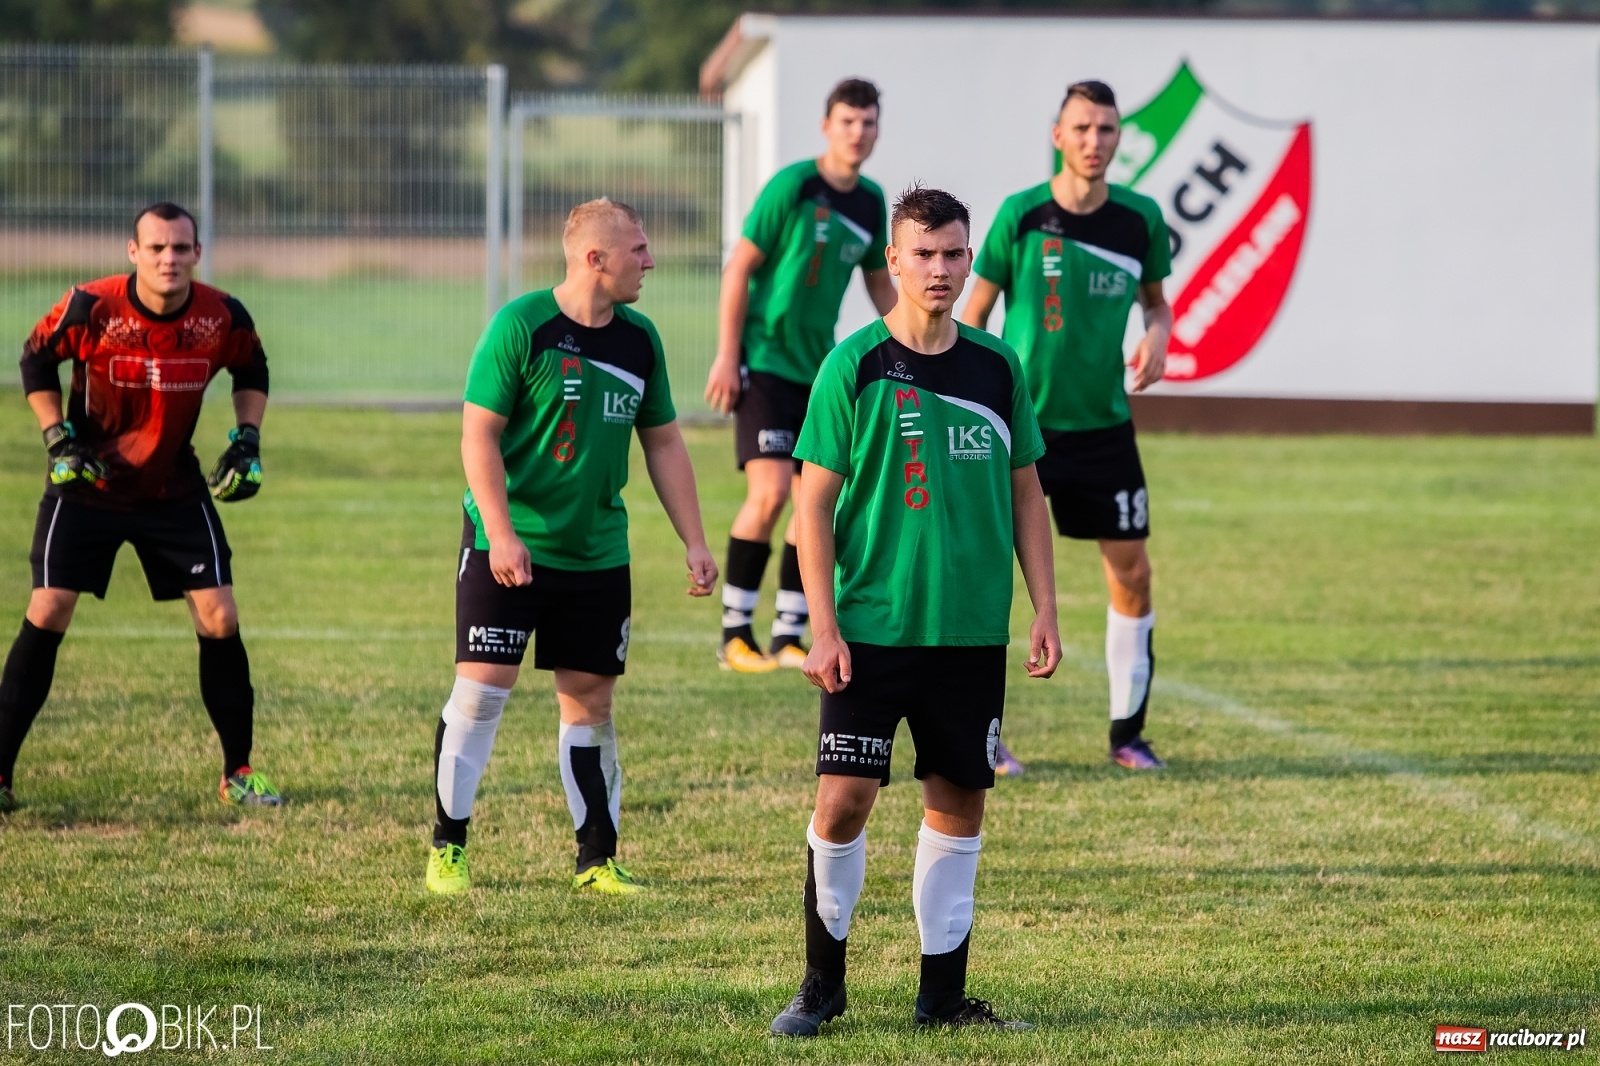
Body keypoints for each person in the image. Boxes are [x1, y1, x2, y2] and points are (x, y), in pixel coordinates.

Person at [769, 186, 1060, 1037]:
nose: (941, 269)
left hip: (970, 632)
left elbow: (1027, 494)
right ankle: (821, 987)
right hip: (869, 629)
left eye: (955, 253)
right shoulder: (851, 365)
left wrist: (1044, 606)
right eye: (924, 254)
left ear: (972, 259)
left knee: (959, 803)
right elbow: (809, 506)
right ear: (892, 261)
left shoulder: (997, 366)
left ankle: (942, 999)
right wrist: (821, 625)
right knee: (845, 800)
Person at [426, 199, 718, 897]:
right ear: (596, 259)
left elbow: (665, 442)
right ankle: (448, 848)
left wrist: (696, 540)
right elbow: (478, 435)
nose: (650, 262)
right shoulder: (520, 326)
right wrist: (501, 534)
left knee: (590, 704)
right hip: (511, 542)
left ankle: (596, 860)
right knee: (481, 694)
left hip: (596, 553)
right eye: (639, 251)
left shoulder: (640, 340)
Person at [0, 201, 281, 813]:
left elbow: (252, 367)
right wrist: (57, 438)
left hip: (171, 490)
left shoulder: (221, 315)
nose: (168, 259)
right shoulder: (90, 306)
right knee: (48, 609)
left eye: (180, 248)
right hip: (88, 484)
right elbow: (35, 358)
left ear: (197, 255)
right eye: (156, 248)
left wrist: (247, 438)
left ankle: (238, 772)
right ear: (133, 253)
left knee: (220, 618)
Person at [962, 79, 1174, 774]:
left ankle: (1127, 736)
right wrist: (976, 400)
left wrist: (1159, 337)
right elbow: (975, 315)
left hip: (1106, 429)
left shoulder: (1138, 218)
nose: (1094, 141)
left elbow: (1157, 305)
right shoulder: (1021, 215)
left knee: (1133, 572)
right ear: (1059, 135)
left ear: (1119, 139)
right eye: (1082, 128)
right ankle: (985, 737)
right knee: (991, 578)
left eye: (1107, 129)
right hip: (1026, 432)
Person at [703, 77, 897, 673]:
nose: (858, 133)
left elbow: (880, 283)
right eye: (847, 121)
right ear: (826, 126)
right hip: (762, 363)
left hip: (818, 373)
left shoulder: (870, 201)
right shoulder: (794, 186)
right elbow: (740, 269)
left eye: (868, 122)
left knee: (815, 498)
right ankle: (735, 633)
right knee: (768, 495)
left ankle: (789, 632)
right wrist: (726, 352)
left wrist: (913, 344)